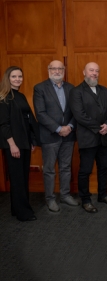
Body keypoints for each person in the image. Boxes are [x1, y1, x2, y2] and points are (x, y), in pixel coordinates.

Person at [69, 62, 107, 213]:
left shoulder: (105, 90)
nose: (94, 73)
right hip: (87, 138)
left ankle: (103, 195)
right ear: (84, 72)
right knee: (85, 170)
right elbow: (79, 115)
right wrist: (98, 128)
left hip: (103, 138)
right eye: (91, 70)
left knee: (104, 168)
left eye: (97, 71)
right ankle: (86, 199)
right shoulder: (76, 91)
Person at [33, 60, 79, 212]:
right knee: (49, 169)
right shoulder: (40, 88)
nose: (57, 71)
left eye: (60, 68)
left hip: (68, 135)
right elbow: (40, 113)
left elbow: (75, 112)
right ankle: (50, 199)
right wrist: (58, 128)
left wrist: (70, 127)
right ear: (49, 70)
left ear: (64, 70)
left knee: (66, 167)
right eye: (54, 68)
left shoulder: (71, 88)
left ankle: (65, 195)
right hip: (50, 136)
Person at [0, 66, 39, 221]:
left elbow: (27, 119)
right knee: (17, 179)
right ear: (7, 79)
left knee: (22, 177)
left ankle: (16, 209)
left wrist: (32, 140)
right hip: (13, 145)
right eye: (14, 77)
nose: (17, 79)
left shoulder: (20, 96)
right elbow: (3, 124)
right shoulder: (4, 97)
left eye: (20, 76)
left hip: (24, 143)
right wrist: (12, 144)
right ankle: (24, 213)